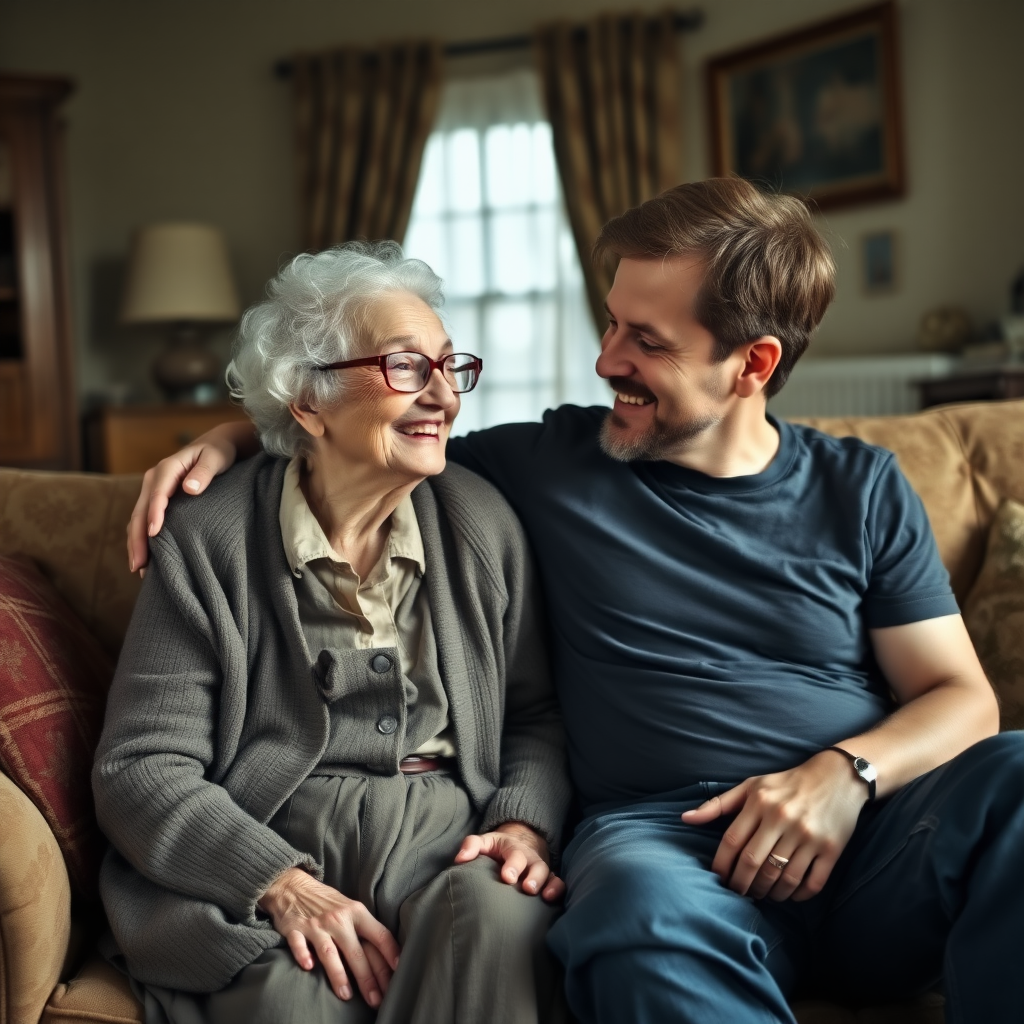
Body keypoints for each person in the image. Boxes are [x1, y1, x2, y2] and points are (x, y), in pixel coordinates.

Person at [127, 179, 1023, 1023]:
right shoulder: (544, 468)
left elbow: (964, 699)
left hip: (865, 836)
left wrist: (845, 776)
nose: (606, 361)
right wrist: (237, 430)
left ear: (753, 363)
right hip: (670, 850)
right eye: (610, 324)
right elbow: (370, 431)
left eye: (648, 342)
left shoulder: (862, 488)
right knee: (636, 916)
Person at [95, 242, 572, 1024]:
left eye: (451, 368)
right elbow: (141, 766)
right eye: (406, 368)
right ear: (308, 402)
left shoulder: (482, 522)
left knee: (494, 929)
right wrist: (278, 882)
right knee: (292, 1000)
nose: (444, 398)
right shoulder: (209, 539)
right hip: (268, 836)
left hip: (450, 837)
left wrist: (521, 821)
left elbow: (536, 717)